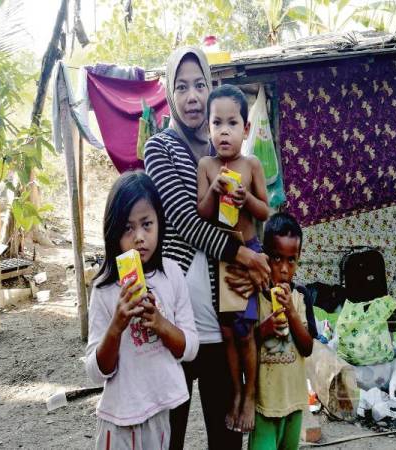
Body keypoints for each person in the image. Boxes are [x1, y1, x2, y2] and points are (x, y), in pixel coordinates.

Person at [144, 47, 270, 450]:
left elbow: (254, 216)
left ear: (212, 88)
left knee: (226, 437)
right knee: (171, 435)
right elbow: (183, 220)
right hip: (177, 318)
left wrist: (254, 263)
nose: (192, 96)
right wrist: (242, 255)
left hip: (222, 316)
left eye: (200, 84)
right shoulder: (160, 148)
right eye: (181, 87)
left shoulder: (229, 150)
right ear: (169, 92)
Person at [85, 171, 199, 450]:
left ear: (159, 222)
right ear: (112, 232)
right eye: (127, 228)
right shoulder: (104, 288)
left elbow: (191, 348)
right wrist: (116, 325)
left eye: (147, 224)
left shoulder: (171, 274)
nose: (139, 237)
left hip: (160, 413)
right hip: (119, 419)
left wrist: (161, 323)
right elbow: (96, 372)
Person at [197, 84, 270, 433]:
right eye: (216, 123)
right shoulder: (207, 165)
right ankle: (237, 393)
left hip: (250, 254)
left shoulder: (251, 164)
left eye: (231, 123)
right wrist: (214, 189)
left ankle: (251, 395)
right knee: (227, 333)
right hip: (223, 258)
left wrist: (245, 200)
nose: (223, 131)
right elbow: (202, 211)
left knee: (246, 334)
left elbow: (265, 211)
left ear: (245, 128)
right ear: (208, 128)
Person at [249, 213, 318, 450]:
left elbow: (308, 348)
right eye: (277, 259)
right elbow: (245, 344)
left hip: (294, 404)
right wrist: (264, 330)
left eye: (291, 260)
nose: (284, 269)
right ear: (265, 258)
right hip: (265, 404)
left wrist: (292, 314)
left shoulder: (301, 297)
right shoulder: (255, 297)